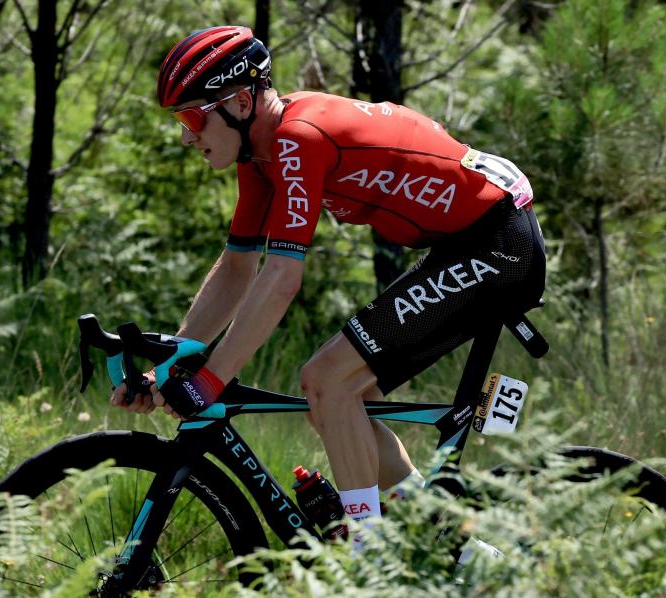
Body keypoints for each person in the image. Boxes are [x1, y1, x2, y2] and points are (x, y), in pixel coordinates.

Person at [110, 25, 546, 543]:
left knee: (327, 380)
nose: (187, 135)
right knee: (334, 406)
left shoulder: (297, 139)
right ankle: (456, 550)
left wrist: (208, 382)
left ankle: (368, 555)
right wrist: (173, 364)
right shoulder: (262, 155)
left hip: (498, 242)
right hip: (467, 241)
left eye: (192, 116)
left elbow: (281, 278)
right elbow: (237, 269)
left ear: (242, 102)